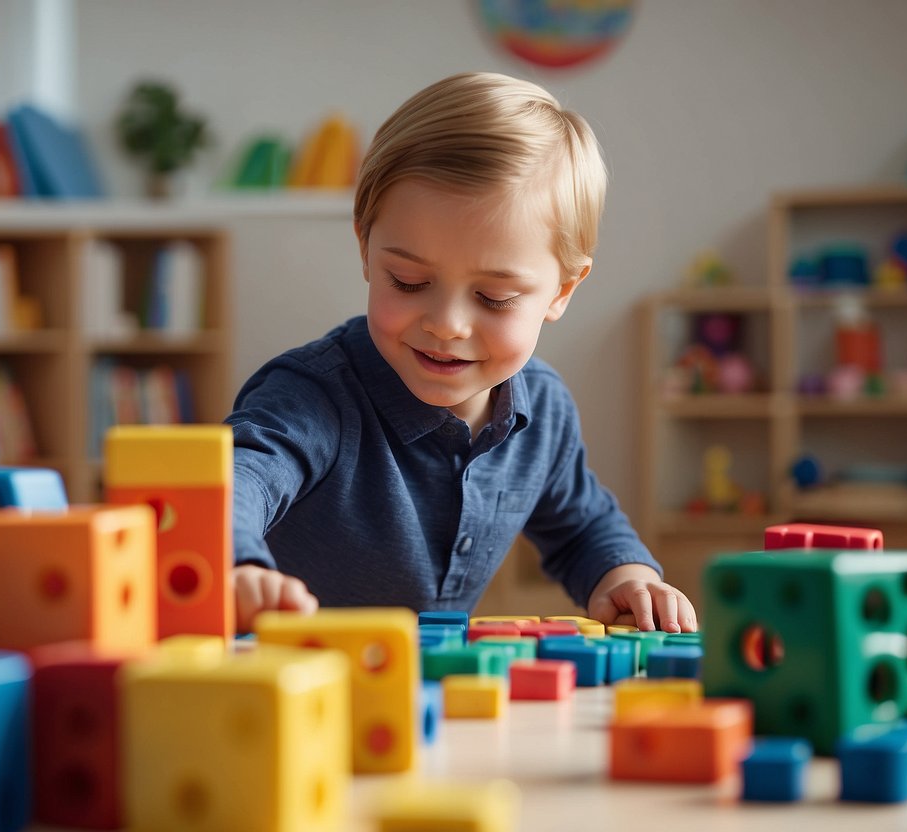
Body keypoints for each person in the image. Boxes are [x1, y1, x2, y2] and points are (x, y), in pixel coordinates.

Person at [227, 71, 697, 635]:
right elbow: (233, 484)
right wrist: (238, 566)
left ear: (562, 291)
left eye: (493, 297)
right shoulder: (312, 397)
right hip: (289, 690)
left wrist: (627, 578)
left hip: (425, 698)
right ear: (365, 248)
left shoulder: (540, 411)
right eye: (406, 281)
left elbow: (581, 527)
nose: (447, 325)